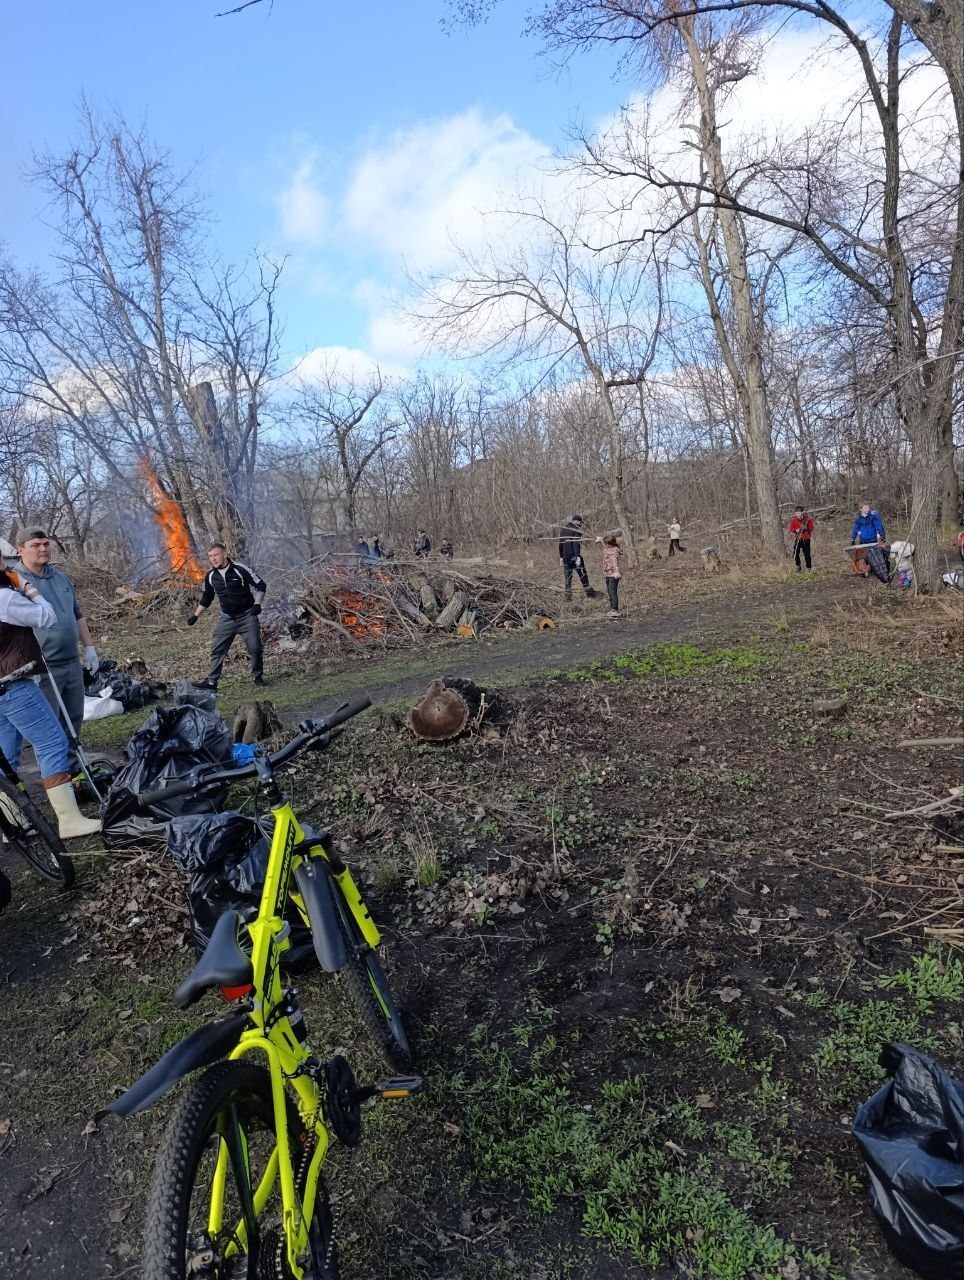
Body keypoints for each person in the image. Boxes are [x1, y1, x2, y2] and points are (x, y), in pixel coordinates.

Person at [0, 568, 99, 838]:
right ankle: (69, 820)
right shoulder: (5, 597)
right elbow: (47, 616)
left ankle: (11, 822)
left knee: (6, 755)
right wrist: (28, 588)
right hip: (13, 684)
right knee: (53, 742)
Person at [14, 524, 100, 766]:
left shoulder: (61, 578)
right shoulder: (16, 583)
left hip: (71, 662)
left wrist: (90, 648)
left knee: (73, 719)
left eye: (46, 544)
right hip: (42, 668)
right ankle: (56, 776)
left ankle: (74, 769)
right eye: (35, 546)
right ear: (20, 550)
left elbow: (77, 614)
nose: (43, 549)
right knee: (49, 727)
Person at [187, 544, 267, 692]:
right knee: (217, 650)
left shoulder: (240, 569)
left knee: (255, 648)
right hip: (227, 618)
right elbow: (207, 597)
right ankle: (211, 683)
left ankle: (258, 677)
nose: (213, 559)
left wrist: (257, 604)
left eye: (216, 555)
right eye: (210, 556)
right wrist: (195, 616)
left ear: (224, 554)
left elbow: (261, 585)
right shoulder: (211, 575)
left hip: (247, 616)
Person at [559, 514, 596, 602]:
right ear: (577, 521)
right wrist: (578, 556)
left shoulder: (564, 529)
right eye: (580, 522)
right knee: (583, 574)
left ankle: (568, 598)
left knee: (568, 578)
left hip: (566, 557)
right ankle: (589, 594)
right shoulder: (576, 530)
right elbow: (576, 544)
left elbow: (560, 544)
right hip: (574, 557)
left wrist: (561, 557)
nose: (580, 524)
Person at [850, 502, 889, 580]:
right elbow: (855, 528)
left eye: (868, 507)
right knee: (865, 555)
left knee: (875, 554)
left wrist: (882, 535)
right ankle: (868, 568)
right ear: (861, 509)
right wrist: (852, 538)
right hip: (863, 540)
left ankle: (880, 568)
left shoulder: (873, 515)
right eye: (865, 508)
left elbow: (878, 525)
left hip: (873, 538)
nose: (867, 509)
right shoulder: (859, 518)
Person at [600, 535, 623, 617]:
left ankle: (615, 610)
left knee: (613, 592)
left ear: (610, 544)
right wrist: (601, 540)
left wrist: (617, 572)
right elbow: (606, 547)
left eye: (606, 544)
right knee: (609, 591)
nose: (605, 545)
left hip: (614, 574)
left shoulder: (614, 551)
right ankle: (612, 609)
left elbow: (614, 562)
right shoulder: (609, 548)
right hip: (608, 574)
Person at [788, 506, 814, 570]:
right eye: (796, 513)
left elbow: (811, 528)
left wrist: (806, 528)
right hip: (798, 538)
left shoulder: (808, 519)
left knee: (807, 553)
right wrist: (795, 530)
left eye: (799, 513)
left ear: (802, 512)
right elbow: (791, 529)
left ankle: (809, 567)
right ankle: (798, 565)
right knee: (796, 553)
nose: (797, 515)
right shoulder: (793, 520)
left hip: (806, 538)